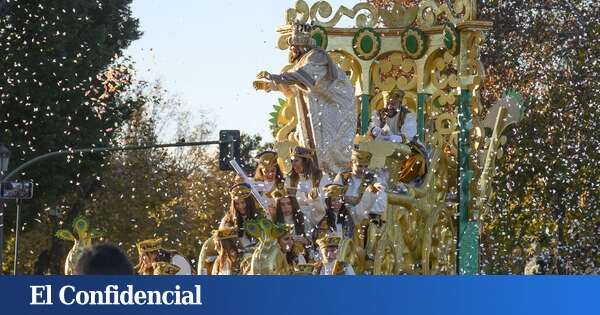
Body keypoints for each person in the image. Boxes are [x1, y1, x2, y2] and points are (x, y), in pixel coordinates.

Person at [254, 23, 356, 174]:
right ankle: (315, 175)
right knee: (311, 147)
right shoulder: (302, 62)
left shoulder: (316, 56)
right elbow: (296, 86)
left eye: (294, 46)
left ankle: (333, 177)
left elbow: (305, 78)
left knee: (329, 148)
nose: (292, 49)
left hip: (333, 110)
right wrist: (271, 86)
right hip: (316, 111)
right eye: (291, 46)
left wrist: (275, 77)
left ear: (302, 46)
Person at [369, 88, 427, 185]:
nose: (390, 107)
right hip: (382, 149)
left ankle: (400, 183)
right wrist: (376, 131)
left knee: (418, 160)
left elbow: (408, 136)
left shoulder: (408, 116)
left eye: (393, 104)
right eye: (388, 103)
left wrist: (392, 138)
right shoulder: (379, 114)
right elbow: (372, 127)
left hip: (408, 149)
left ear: (399, 103)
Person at [284, 146, 331, 227]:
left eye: (296, 161)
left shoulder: (321, 176)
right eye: (292, 161)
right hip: (298, 221)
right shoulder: (290, 179)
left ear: (305, 161)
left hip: (321, 219)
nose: (293, 164)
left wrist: (313, 199)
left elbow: (327, 200)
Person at [220, 183, 260, 249]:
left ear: (249, 202)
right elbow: (223, 240)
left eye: (243, 202)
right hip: (240, 255)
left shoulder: (259, 216)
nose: (240, 206)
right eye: (237, 204)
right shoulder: (228, 220)